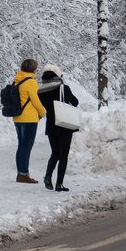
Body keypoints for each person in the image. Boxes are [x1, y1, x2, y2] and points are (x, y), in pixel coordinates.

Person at [39, 64, 80, 192]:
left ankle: (48, 176)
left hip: (51, 125)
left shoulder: (40, 91)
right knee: (63, 155)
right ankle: (59, 184)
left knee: (55, 153)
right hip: (64, 124)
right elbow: (75, 102)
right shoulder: (63, 88)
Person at [11, 58, 47, 184]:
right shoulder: (31, 82)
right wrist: (43, 112)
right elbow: (36, 101)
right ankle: (23, 174)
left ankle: (20, 173)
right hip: (29, 119)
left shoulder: (17, 79)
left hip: (18, 117)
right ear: (34, 70)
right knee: (27, 146)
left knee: (21, 145)